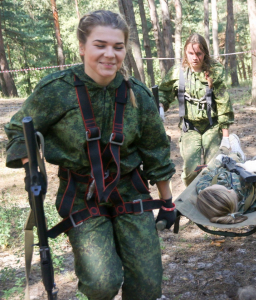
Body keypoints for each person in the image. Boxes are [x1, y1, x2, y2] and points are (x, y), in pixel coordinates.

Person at [5, 11, 175, 300]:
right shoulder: (56, 91)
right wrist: (31, 167)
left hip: (129, 193)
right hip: (81, 194)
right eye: (100, 45)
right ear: (82, 47)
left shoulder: (139, 95)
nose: (110, 54)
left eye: (117, 47)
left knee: (147, 286)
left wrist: (167, 201)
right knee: (101, 284)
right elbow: (19, 131)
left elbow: (156, 150)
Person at [158, 33, 235, 186]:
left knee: (214, 167)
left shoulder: (214, 72)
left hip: (211, 126)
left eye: (199, 53)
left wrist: (226, 137)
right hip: (189, 127)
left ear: (205, 53)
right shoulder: (177, 72)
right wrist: (160, 106)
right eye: (191, 53)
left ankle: (212, 200)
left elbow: (223, 102)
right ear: (185, 53)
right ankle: (192, 199)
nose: (195, 57)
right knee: (191, 171)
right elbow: (163, 93)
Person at [195, 140, 256, 224]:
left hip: (231, 162)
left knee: (231, 146)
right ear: (228, 191)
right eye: (211, 186)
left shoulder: (208, 196)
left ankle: (235, 149)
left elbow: (205, 179)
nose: (208, 186)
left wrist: (218, 161)